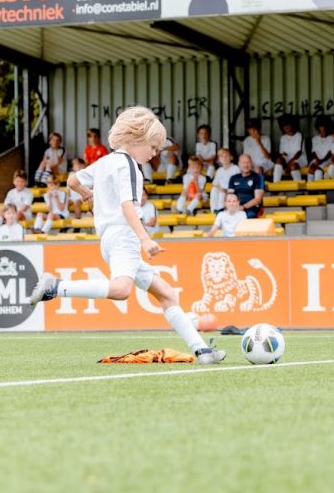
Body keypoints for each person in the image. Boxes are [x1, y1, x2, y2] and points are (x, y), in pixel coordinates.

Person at [31, 105, 226, 365]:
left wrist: (86, 195)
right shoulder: (131, 167)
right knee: (121, 290)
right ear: (137, 140)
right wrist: (145, 238)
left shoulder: (106, 161)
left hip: (109, 239)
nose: (155, 153)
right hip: (124, 236)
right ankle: (55, 287)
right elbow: (127, 206)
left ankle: (203, 351)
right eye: (153, 147)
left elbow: (72, 182)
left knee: (167, 294)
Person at [228, 154, 265, 218]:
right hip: (236, 206)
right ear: (239, 164)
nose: (245, 165)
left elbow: (258, 199)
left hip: (252, 207)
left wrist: (243, 207)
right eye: (243, 163)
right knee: (221, 214)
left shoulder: (258, 177)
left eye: (247, 162)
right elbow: (229, 196)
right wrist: (234, 207)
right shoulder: (233, 178)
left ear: (252, 164)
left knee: (250, 215)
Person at [273, 114, 306, 183]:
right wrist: (284, 163)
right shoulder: (283, 138)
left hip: (299, 159)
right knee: (279, 160)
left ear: (293, 125)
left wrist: (288, 165)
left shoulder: (299, 135)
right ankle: (276, 184)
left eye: (288, 125)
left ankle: (299, 188)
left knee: (293, 166)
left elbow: (298, 153)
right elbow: (283, 154)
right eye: (284, 125)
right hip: (288, 159)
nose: (286, 127)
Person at [307, 116, 334, 181]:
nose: (323, 128)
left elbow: (330, 152)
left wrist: (321, 160)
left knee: (317, 171)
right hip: (317, 159)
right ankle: (310, 187)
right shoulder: (315, 139)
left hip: (327, 160)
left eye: (325, 126)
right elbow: (314, 151)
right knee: (312, 168)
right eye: (321, 126)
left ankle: (318, 187)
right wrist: (317, 159)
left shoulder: (332, 138)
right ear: (318, 127)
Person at [210, 148, 237, 212]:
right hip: (222, 190)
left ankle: (220, 209)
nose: (224, 158)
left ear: (231, 157)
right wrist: (220, 188)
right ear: (219, 159)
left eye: (226, 156)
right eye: (222, 157)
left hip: (232, 191)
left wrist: (226, 190)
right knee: (214, 190)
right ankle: (214, 209)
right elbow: (215, 183)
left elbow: (237, 183)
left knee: (222, 193)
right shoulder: (219, 170)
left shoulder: (235, 168)